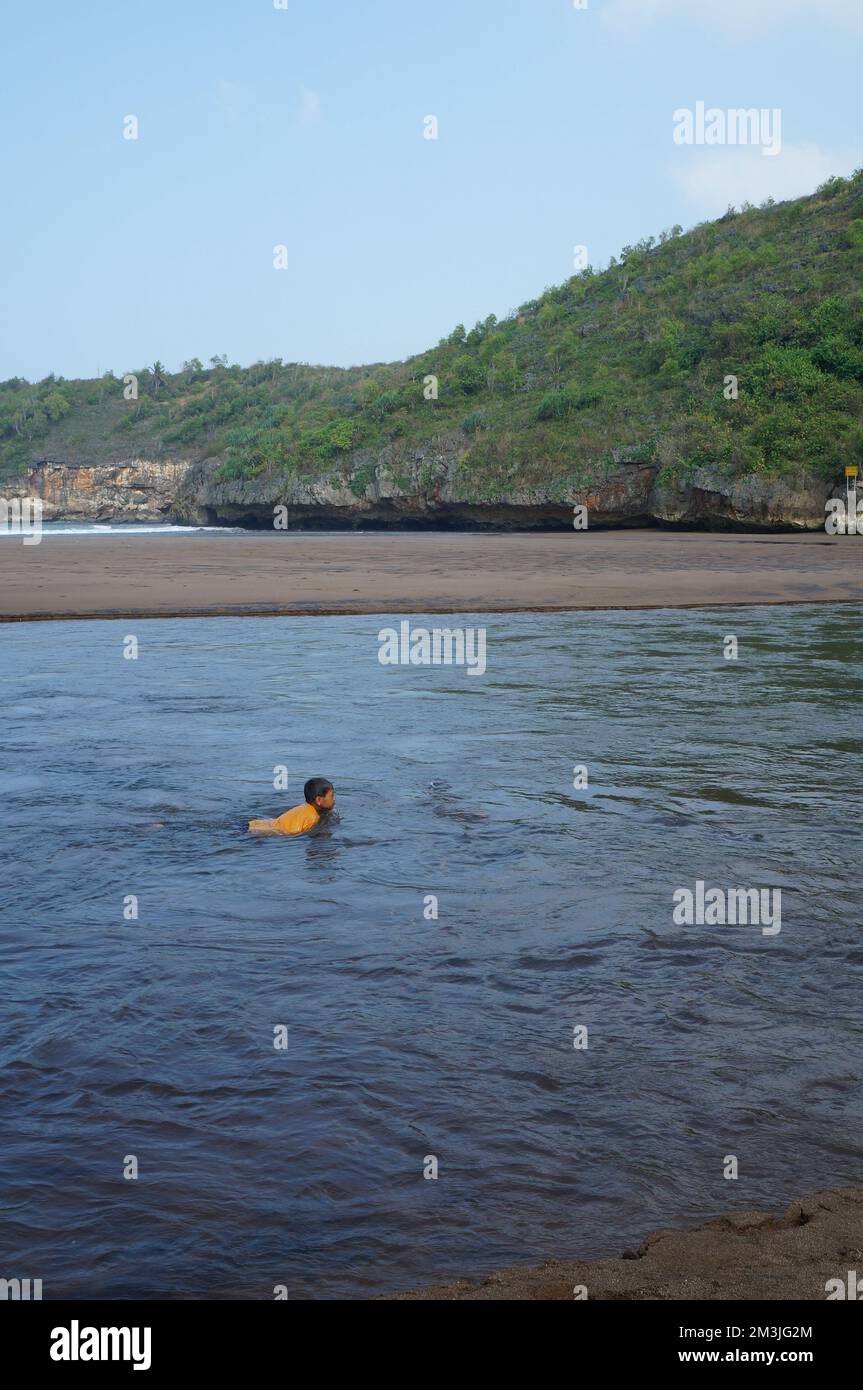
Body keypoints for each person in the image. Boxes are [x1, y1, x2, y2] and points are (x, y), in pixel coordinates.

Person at [248, 777, 336, 836]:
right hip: (255, 831)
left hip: (256, 824)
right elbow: (292, 835)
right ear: (319, 800)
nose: (334, 799)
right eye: (332, 796)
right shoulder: (312, 818)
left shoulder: (303, 807)